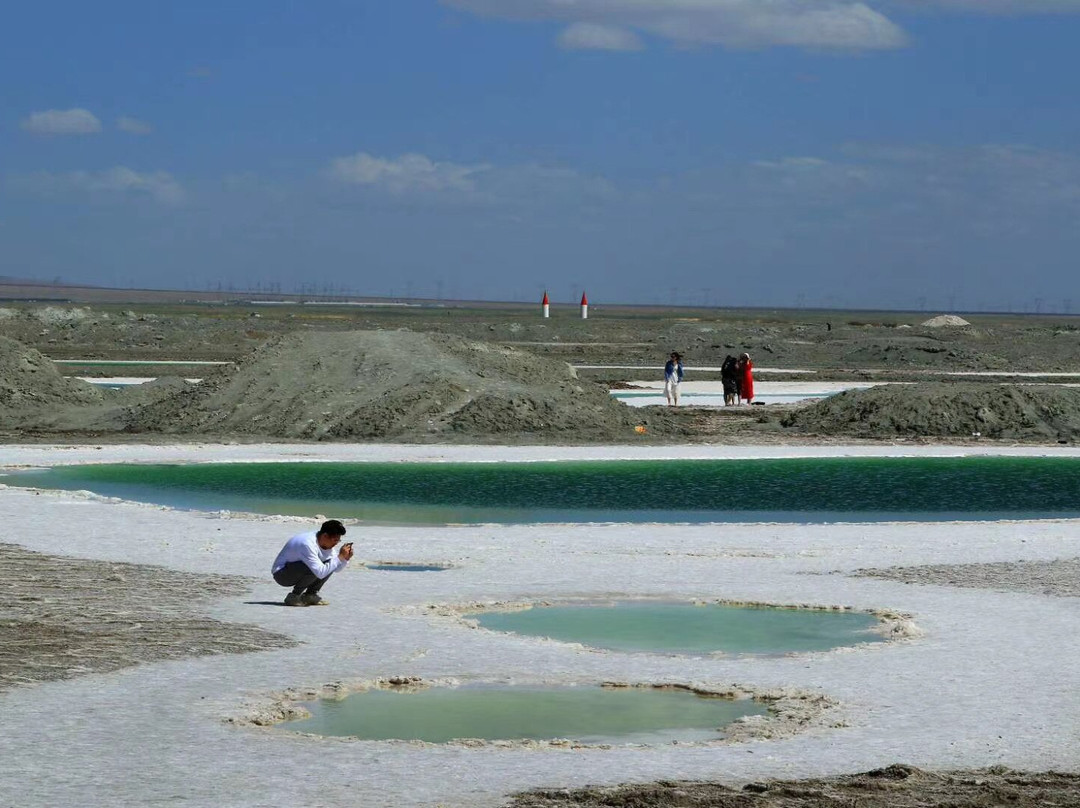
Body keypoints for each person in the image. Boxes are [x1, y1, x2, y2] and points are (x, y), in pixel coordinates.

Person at [271, 519, 354, 606]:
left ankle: (310, 595)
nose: (336, 543)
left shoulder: (326, 544)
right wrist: (340, 556)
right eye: (335, 540)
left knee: (329, 563)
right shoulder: (307, 543)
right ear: (325, 536)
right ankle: (294, 596)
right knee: (317, 567)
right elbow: (320, 573)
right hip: (282, 574)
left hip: (296, 571)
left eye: (338, 541)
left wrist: (345, 559)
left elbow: (335, 568)